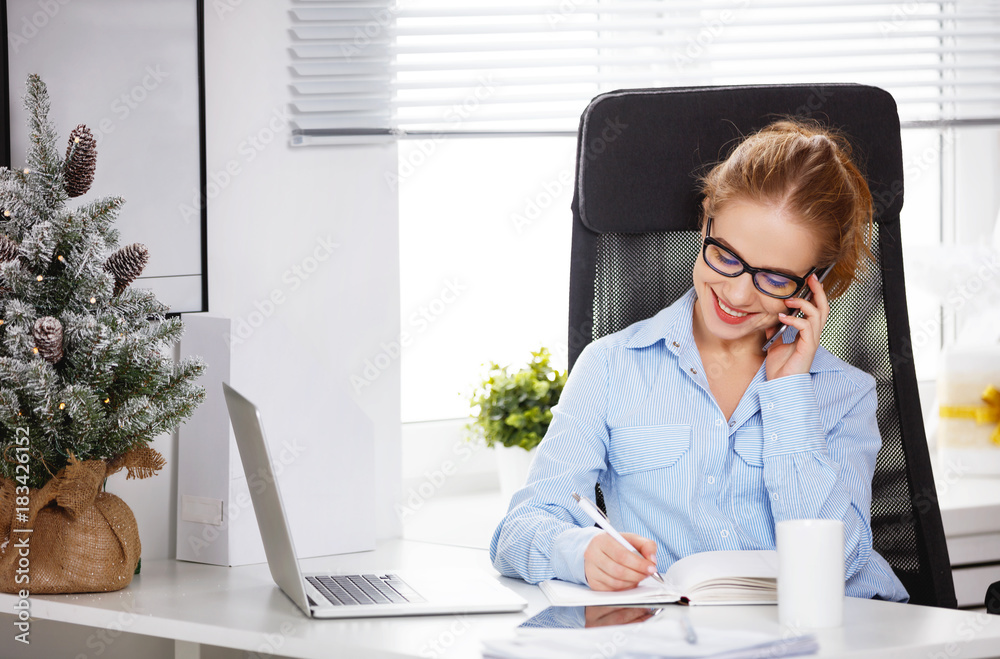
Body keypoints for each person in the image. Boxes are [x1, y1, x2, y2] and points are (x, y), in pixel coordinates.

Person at [489, 118, 909, 602]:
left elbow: (838, 566)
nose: (735, 292)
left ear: (815, 282)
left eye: (774, 278)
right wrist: (579, 551)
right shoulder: (612, 366)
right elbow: (518, 531)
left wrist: (789, 392)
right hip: (681, 639)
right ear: (706, 219)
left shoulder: (843, 393)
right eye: (726, 255)